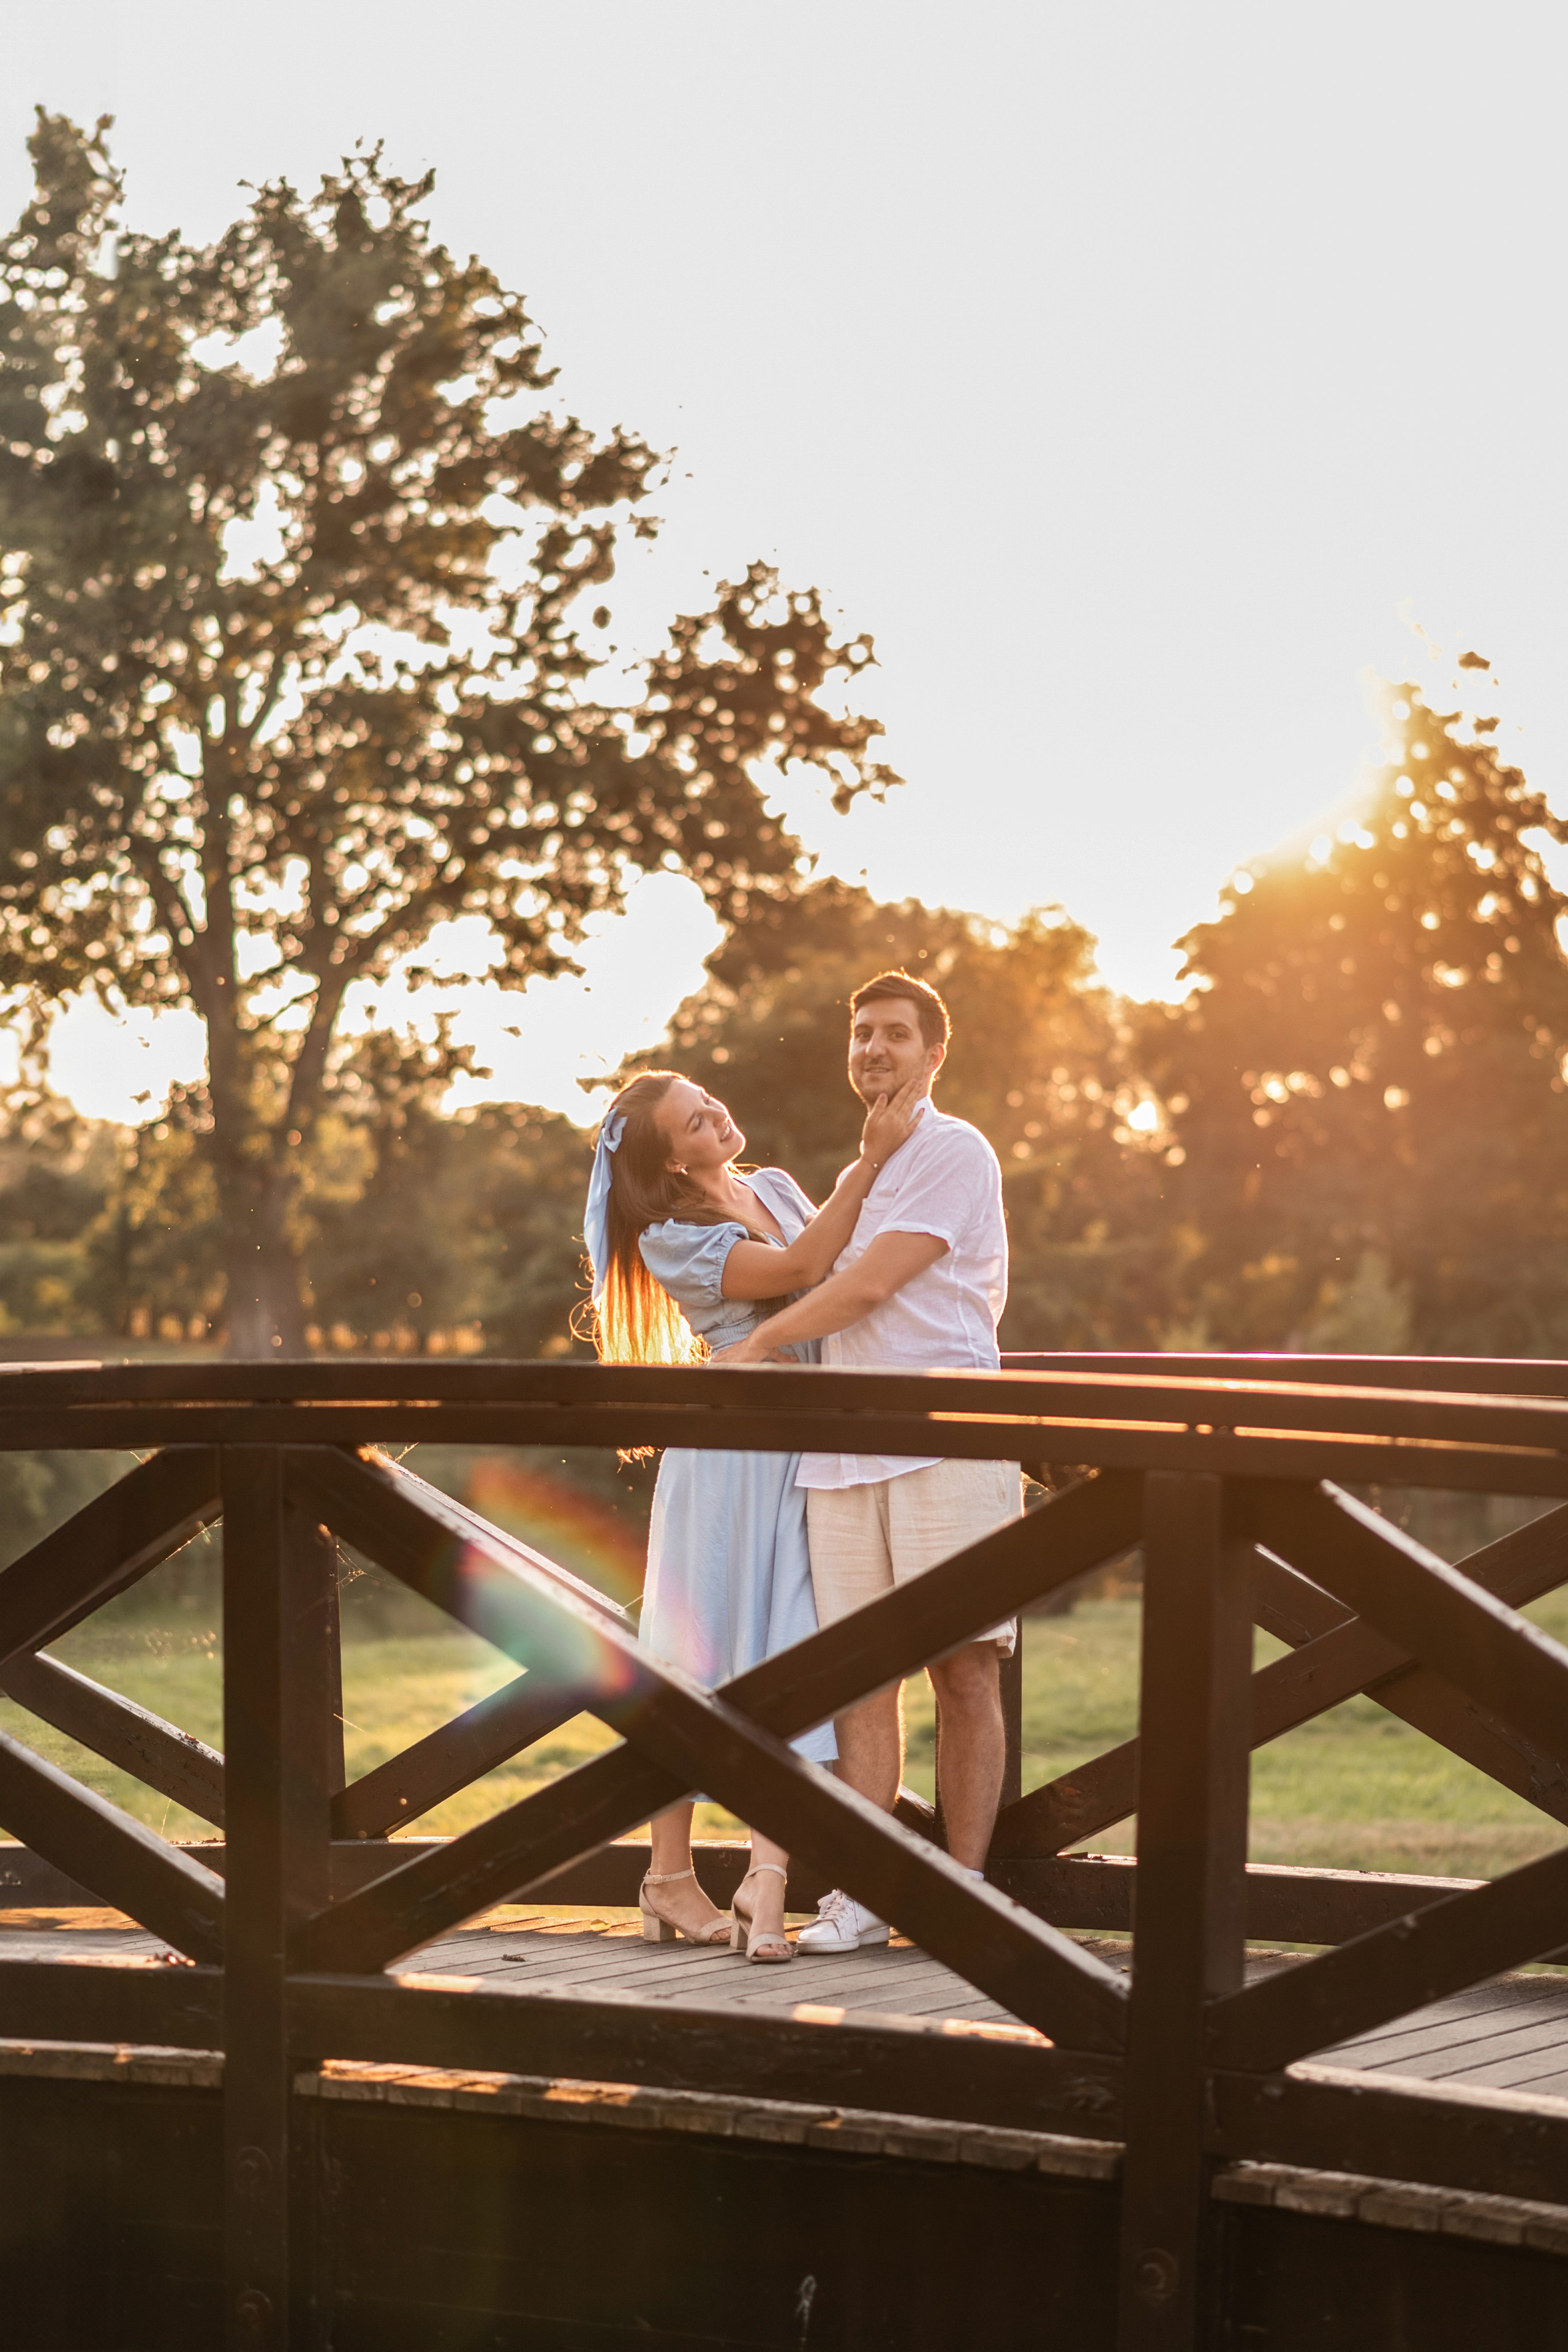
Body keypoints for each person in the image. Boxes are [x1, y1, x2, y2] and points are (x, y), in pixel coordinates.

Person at [584, 1066, 919, 1961]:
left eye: (710, 1100)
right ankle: (668, 1875)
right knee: (697, 1650)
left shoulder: (770, 1185)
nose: (718, 1116)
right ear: (671, 1159)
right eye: (696, 1121)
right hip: (731, 1458)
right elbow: (804, 1271)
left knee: (796, 1646)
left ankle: (764, 1883)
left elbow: (842, 1274)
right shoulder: (671, 1238)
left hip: (806, 1442)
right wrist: (869, 1163)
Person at [716, 971, 1018, 1953]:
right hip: (840, 1456)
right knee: (859, 1681)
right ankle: (866, 1892)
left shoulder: (952, 1149)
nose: (874, 1051)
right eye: (860, 1036)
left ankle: (965, 1890)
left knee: (964, 1670)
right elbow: (809, 1271)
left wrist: (755, 1351)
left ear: (937, 1051)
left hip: (944, 1443)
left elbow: (870, 1289)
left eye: (895, 1034)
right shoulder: (864, 1164)